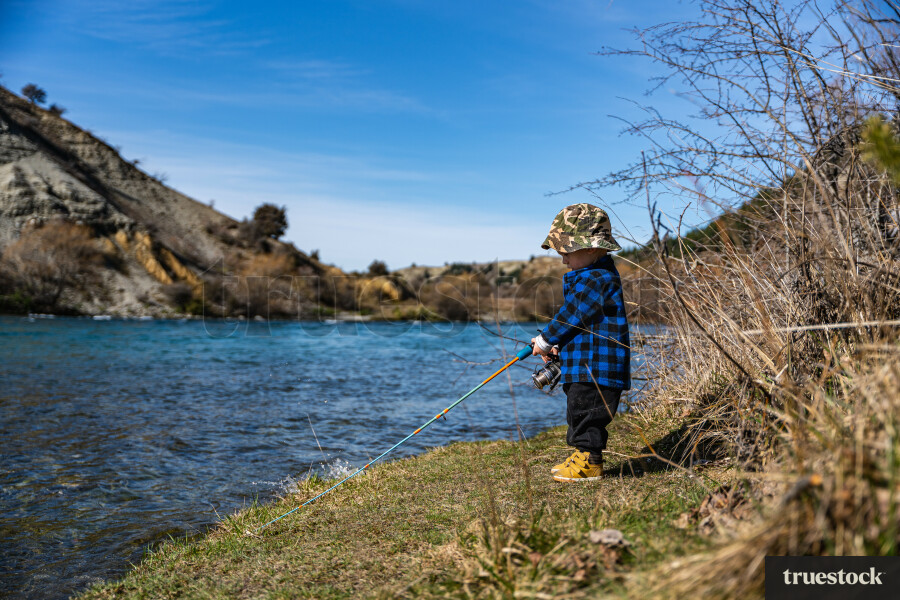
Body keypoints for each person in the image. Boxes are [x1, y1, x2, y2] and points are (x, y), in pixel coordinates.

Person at [530, 203, 631, 482]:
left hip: (597, 366)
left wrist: (545, 338)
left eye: (566, 252)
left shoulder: (598, 278)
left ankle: (590, 463)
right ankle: (581, 454)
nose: (563, 260)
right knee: (578, 407)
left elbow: (572, 314)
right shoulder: (591, 275)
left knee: (589, 411)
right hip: (585, 362)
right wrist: (558, 346)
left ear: (589, 248)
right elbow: (583, 321)